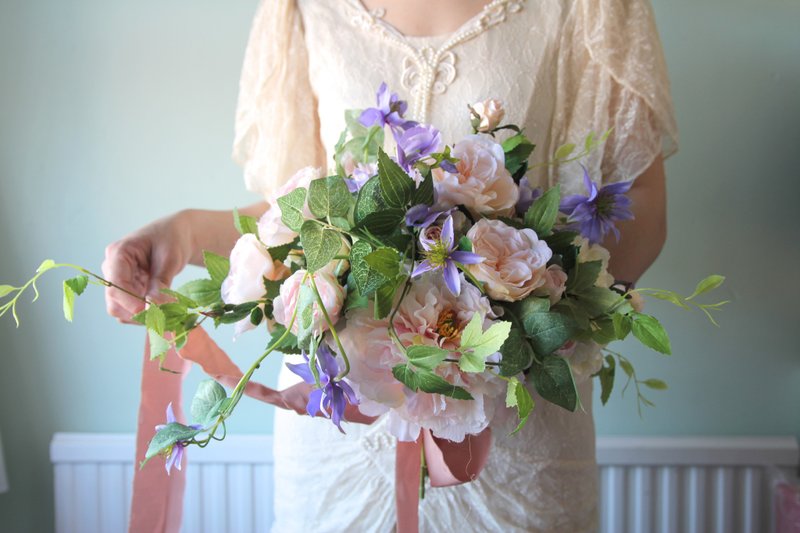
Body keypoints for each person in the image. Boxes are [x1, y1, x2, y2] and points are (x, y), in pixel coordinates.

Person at [103, 0, 677, 530]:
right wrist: (179, 232)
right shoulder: (301, 7)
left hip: (512, 421)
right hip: (338, 420)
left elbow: (638, 218)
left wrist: (497, 320)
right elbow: (295, 211)